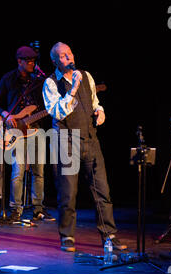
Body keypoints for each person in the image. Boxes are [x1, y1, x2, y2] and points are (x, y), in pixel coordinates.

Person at [42, 42, 126, 252]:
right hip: (66, 141)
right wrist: (73, 89)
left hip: (90, 138)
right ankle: (67, 236)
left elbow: (95, 102)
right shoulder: (50, 83)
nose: (68, 58)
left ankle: (109, 234)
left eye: (69, 53)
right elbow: (58, 112)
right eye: (62, 56)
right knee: (68, 193)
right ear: (55, 61)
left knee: (102, 191)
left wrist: (100, 111)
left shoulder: (86, 76)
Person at [0, 46, 55, 222]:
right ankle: (15, 210)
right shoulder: (8, 79)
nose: (32, 63)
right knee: (18, 172)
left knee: (38, 172)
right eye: (28, 61)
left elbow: (46, 104)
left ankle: (38, 209)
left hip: (36, 129)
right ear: (19, 61)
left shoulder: (40, 81)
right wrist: (5, 114)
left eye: (34, 60)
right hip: (16, 131)